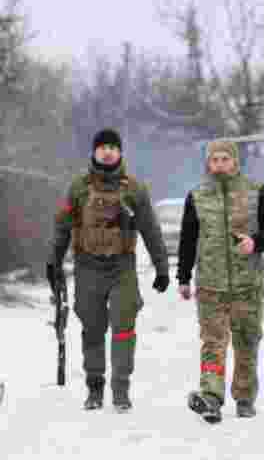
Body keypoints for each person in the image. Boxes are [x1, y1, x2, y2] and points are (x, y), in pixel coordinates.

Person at [46, 129, 171, 412]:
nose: (107, 151)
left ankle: (121, 389)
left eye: (113, 147)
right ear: (93, 152)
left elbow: (151, 229)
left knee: (124, 325)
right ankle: (94, 386)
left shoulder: (134, 189)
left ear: (121, 152)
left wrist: (161, 267)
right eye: (102, 147)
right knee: (92, 328)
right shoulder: (78, 188)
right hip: (87, 267)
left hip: (121, 267)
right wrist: (53, 262)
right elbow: (63, 227)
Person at [178, 139, 264, 423]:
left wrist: (256, 242)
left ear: (235, 162)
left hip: (247, 284)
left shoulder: (258, 193)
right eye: (215, 160)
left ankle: (245, 396)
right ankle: (211, 397)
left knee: (246, 341)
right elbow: (188, 240)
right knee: (212, 342)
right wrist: (183, 277)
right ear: (208, 163)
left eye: (225, 159)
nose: (220, 164)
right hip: (210, 285)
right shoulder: (197, 197)